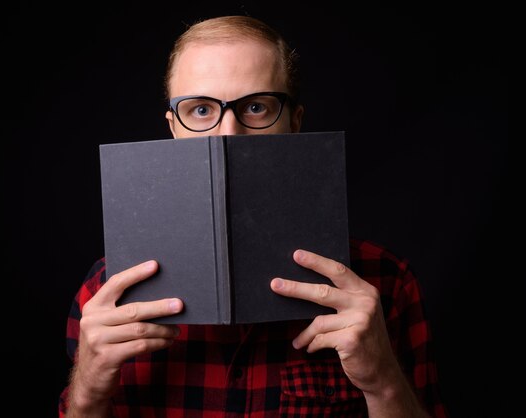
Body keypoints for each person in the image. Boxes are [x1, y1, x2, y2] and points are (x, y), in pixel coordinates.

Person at [59, 15, 448, 417]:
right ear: (173, 128)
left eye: (257, 107)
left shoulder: (384, 283)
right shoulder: (105, 295)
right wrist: (86, 393)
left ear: (294, 123)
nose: (228, 133)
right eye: (201, 109)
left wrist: (383, 382)